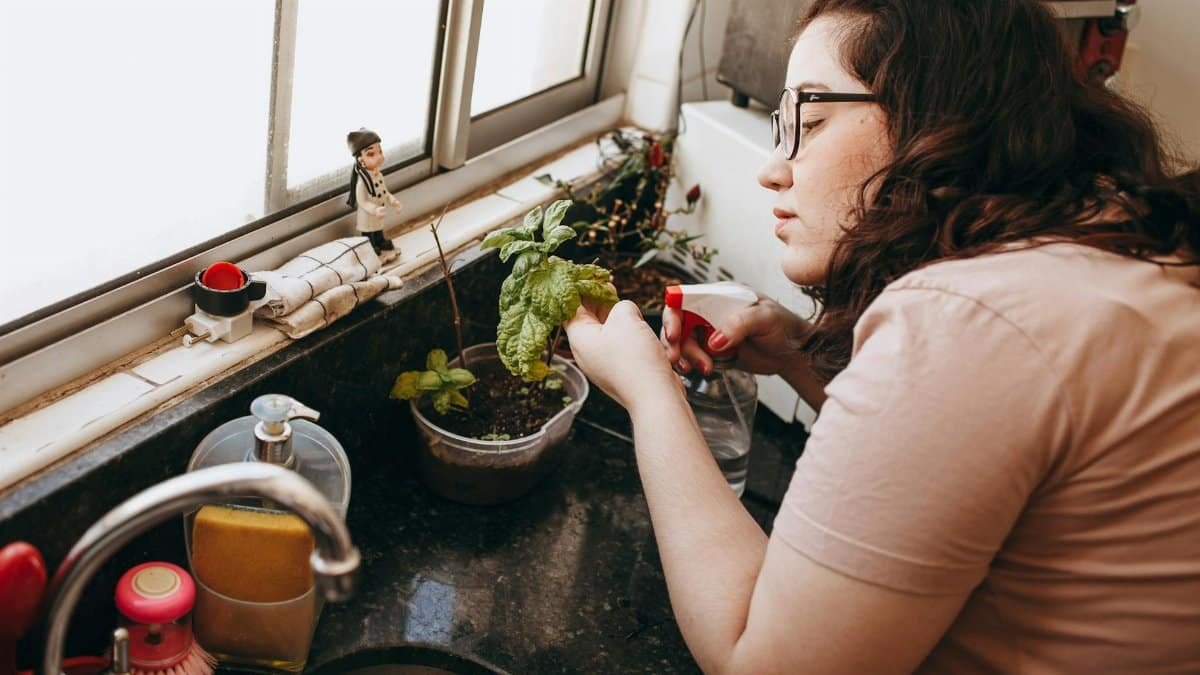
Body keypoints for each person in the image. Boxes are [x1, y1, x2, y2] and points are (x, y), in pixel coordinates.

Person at [563, 0, 1200, 672]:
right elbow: (963, 469)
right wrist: (799, 353)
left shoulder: (964, 320)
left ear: (937, 117)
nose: (773, 167)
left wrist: (649, 391)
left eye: (808, 120)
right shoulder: (1104, 234)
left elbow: (761, 661)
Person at [346, 128, 403, 254]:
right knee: (368, 232)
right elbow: (361, 201)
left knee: (378, 229)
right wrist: (374, 209)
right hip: (368, 214)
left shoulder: (378, 175)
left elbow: (384, 192)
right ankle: (370, 246)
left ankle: (380, 241)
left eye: (380, 151)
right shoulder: (362, 182)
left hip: (379, 211)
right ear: (361, 160)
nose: (379, 157)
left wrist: (392, 201)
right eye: (371, 154)